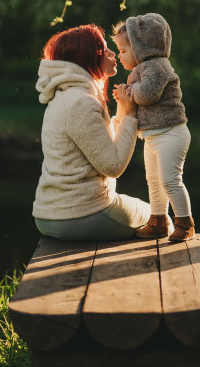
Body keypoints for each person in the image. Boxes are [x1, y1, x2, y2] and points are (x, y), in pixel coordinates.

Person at [33, 24, 151, 240]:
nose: (112, 53)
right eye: (104, 49)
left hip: (49, 215)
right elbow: (113, 166)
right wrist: (130, 115)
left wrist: (122, 112)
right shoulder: (81, 102)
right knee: (159, 217)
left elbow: (103, 145)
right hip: (81, 214)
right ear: (89, 57)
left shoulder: (67, 96)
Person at [112, 13, 194, 242]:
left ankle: (185, 223)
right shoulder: (142, 69)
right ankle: (158, 221)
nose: (120, 56)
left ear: (140, 48)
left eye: (122, 50)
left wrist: (129, 92)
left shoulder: (157, 66)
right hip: (154, 135)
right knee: (154, 181)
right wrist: (124, 99)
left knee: (170, 180)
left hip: (171, 133)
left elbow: (147, 94)